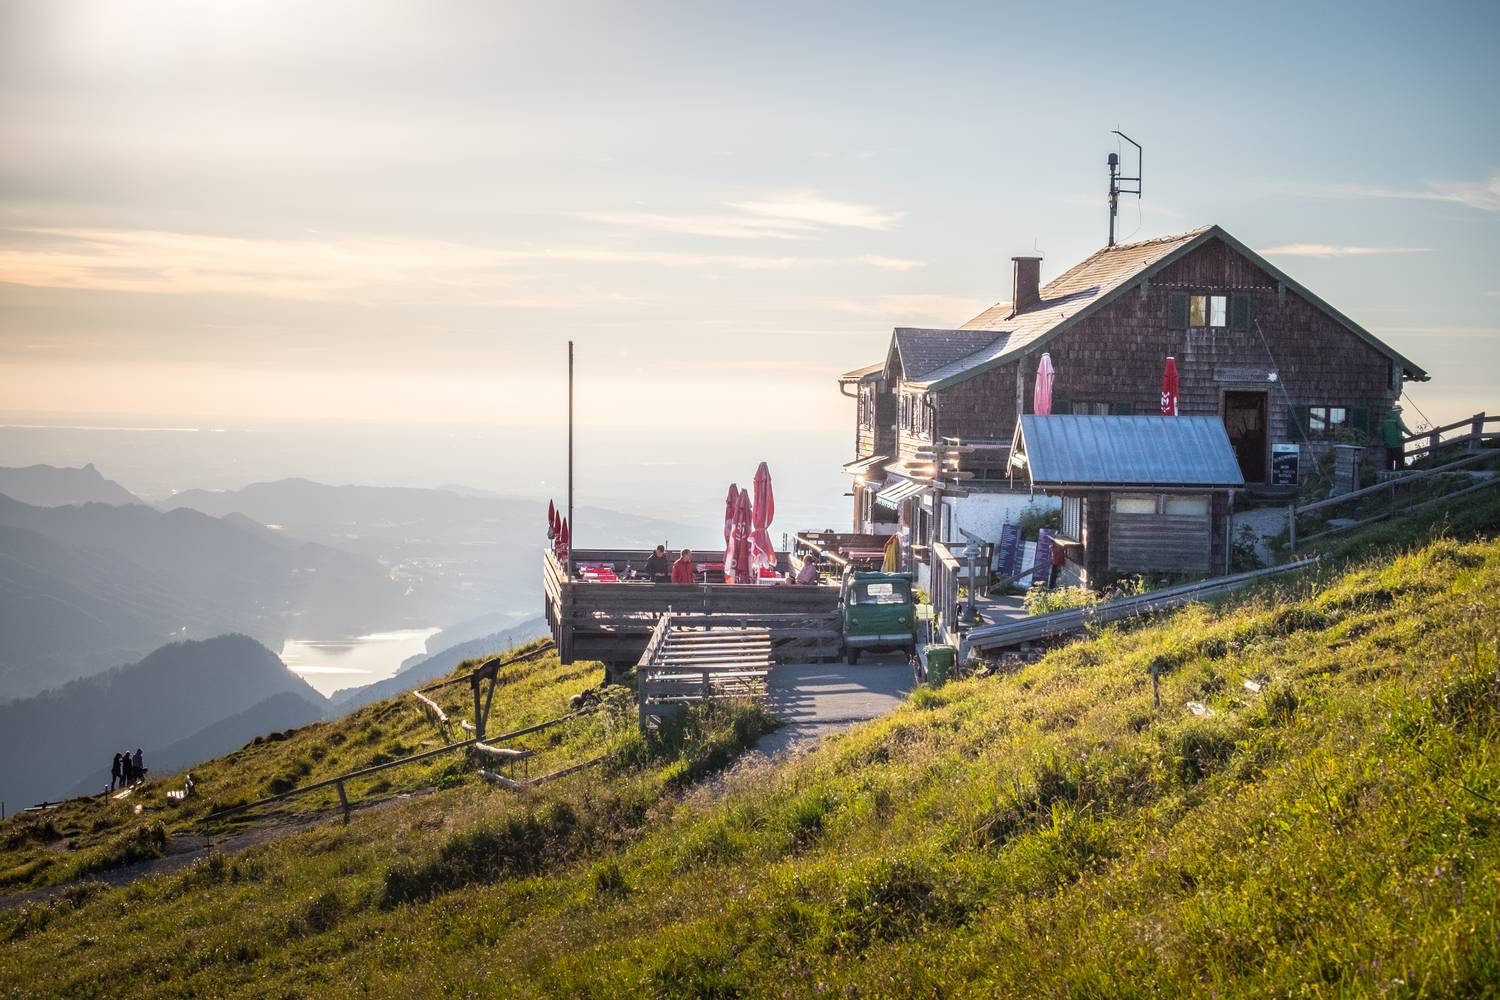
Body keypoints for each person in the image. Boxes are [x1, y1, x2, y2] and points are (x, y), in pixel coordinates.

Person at [1381, 404, 1412, 472]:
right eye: (1400, 411)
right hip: (1397, 442)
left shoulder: (1386, 418)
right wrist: (1411, 434)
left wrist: (1384, 440)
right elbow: (1403, 427)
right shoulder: (1397, 417)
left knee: (1389, 459)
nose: (1401, 413)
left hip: (1388, 443)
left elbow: (1382, 430)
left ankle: (1389, 472)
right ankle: (1399, 473)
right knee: (1399, 459)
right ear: (1398, 411)